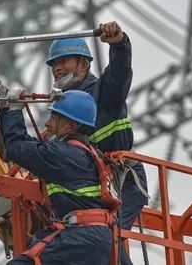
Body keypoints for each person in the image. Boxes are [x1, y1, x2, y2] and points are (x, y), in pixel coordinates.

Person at [46, 21, 149, 264]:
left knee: (101, 237)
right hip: (92, 188)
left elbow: (120, 74)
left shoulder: (104, 93)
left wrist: (119, 45)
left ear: (84, 63)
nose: (57, 68)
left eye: (64, 61)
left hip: (122, 183)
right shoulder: (62, 108)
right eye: (54, 64)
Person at [0, 88, 117, 265]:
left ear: (70, 126)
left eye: (54, 117)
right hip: (92, 237)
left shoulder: (65, 155)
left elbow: (19, 149)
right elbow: (32, 148)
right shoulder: (81, 154)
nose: (47, 123)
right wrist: (5, 111)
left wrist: (13, 111)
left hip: (82, 237)